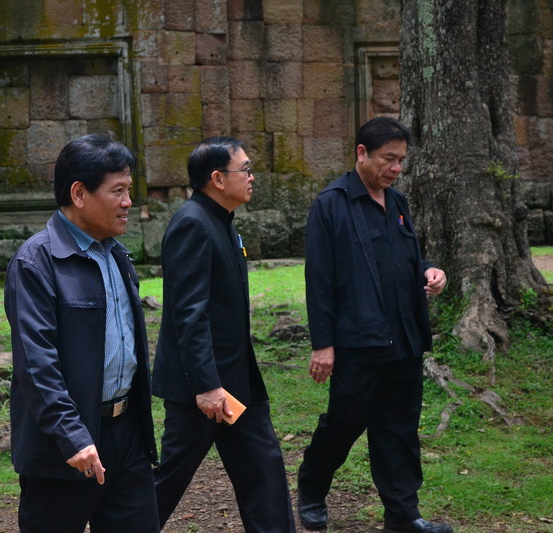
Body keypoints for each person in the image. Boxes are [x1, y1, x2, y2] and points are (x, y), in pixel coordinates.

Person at [297, 117, 451, 533]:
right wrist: (323, 344)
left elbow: (406, 260)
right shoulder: (330, 204)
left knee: (399, 429)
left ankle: (403, 515)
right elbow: (319, 281)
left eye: (400, 160)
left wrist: (430, 270)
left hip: (404, 338)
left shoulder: (398, 203)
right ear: (362, 153)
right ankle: (311, 488)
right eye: (388, 159)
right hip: (358, 341)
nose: (396, 168)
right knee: (344, 424)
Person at [4, 133, 158, 533]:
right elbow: (36, 363)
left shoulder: (116, 254)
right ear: (79, 193)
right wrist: (72, 435)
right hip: (63, 448)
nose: (128, 202)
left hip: (126, 437)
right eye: (118, 191)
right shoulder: (35, 263)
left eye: (129, 190)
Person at [153, 137, 297, 532]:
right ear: (217, 178)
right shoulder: (192, 223)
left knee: (264, 471)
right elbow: (189, 313)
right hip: (202, 388)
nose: (252, 177)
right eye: (245, 169)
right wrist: (206, 385)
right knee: (168, 480)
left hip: (236, 379)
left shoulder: (221, 221)